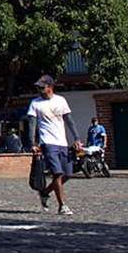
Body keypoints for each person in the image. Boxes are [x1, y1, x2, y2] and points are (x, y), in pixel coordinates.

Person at [27, 75, 80, 215]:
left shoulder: (61, 100)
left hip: (62, 142)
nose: (39, 90)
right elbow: (31, 124)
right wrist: (32, 143)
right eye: (38, 87)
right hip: (47, 142)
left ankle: (44, 192)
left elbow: (69, 120)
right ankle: (62, 206)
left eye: (42, 87)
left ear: (50, 87)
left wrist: (76, 138)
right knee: (57, 173)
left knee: (67, 174)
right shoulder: (35, 103)